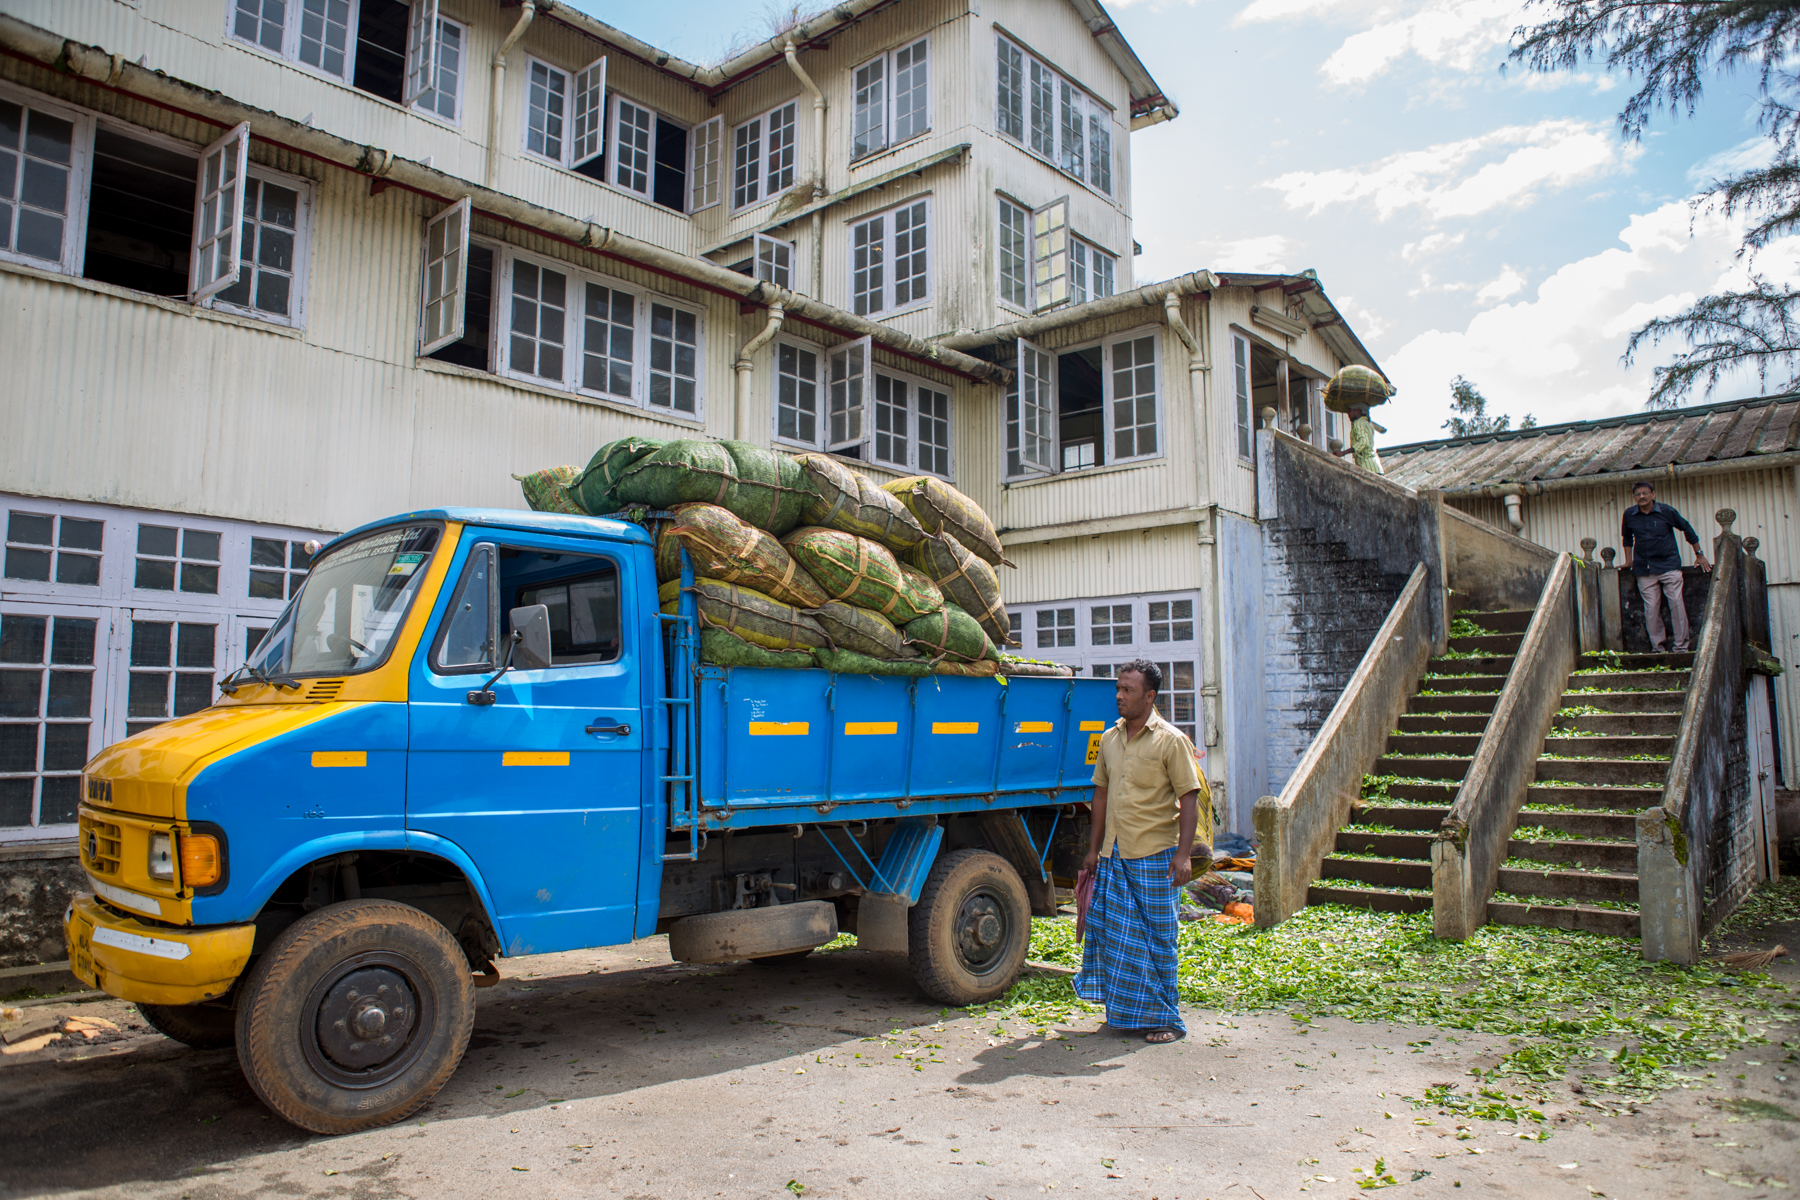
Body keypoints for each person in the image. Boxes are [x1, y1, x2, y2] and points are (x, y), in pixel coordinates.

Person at [1075, 660, 1206, 1045]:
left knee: (1158, 938)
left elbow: (1189, 798)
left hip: (1155, 855)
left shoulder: (1171, 740)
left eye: (1128, 690)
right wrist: (1094, 849)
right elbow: (1100, 794)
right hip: (1115, 854)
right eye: (1118, 688)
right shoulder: (1110, 738)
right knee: (1117, 936)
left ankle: (1167, 1019)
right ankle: (1125, 1012)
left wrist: (1183, 856)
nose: (1119, 696)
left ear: (1149, 697)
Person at [1620, 481, 1711, 652]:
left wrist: (1699, 554)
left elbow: (1686, 528)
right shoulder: (1629, 514)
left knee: (1676, 604)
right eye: (1638, 494)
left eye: (1645, 493)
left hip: (1669, 565)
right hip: (1644, 569)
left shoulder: (1666, 511)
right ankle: (1658, 648)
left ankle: (1681, 647)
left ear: (1653, 494)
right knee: (1651, 609)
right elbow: (1627, 538)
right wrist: (1629, 561)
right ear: (1634, 497)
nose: (1642, 497)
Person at [1330, 405, 1385, 474]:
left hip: (1367, 467)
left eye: (1350, 410)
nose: (1348, 413)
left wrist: (1343, 453)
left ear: (1358, 410)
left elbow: (1363, 442)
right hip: (1374, 467)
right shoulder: (1368, 424)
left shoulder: (1359, 423)